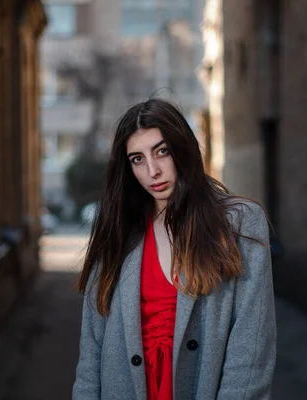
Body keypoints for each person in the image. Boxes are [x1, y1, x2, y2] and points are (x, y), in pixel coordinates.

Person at [72, 98, 277, 400]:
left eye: (162, 151)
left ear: (183, 148)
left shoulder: (239, 223)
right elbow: (91, 354)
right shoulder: (118, 227)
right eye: (137, 159)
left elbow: (251, 351)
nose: (152, 171)